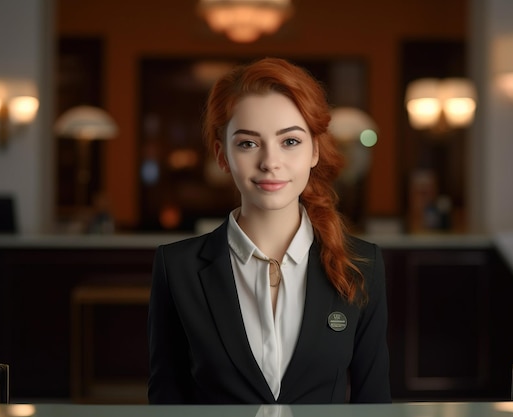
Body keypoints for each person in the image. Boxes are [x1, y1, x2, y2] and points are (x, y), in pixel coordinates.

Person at [147, 57, 390, 404]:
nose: (270, 162)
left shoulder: (362, 264)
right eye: (248, 143)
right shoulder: (177, 267)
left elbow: (374, 404)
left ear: (314, 151)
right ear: (222, 155)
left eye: (290, 141)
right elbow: (166, 403)